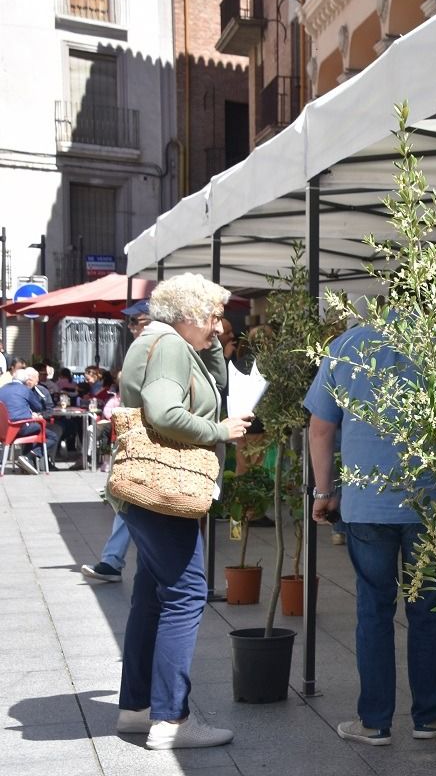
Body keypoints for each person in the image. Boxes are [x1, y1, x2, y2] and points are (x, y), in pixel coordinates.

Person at [110, 274, 251, 749]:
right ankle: (172, 720)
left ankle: (137, 707)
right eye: (212, 317)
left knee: (151, 595)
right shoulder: (169, 345)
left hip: (144, 491)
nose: (219, 326)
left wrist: (209, 345)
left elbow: (211, 382)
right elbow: (166, 412)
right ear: (188, 315)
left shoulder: (157, 339)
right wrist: (219, 431)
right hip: (163, 489)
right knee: (187, 592)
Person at [305, 314, 436, 745]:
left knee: (373, 610)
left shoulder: (345, 345)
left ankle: (374, 722)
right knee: (428, 610)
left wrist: (323, 492)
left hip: (366, 502)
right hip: (430, 503)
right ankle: (429, 717)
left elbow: (321, 428)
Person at [82, 301, 150, 583]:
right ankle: (113, 560)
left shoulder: (158, 349)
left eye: (137, 321)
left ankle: (115, 561)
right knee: (128, 502)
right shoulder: (140, 349)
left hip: (151, 442)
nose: (132, 327)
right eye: (131, 323)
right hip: (137, 440)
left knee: (132, 503)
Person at [0, 366, 64, 474]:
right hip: (20, 428)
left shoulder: (2, 389)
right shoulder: (25, 390)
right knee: (52, 435)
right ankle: (29, 456)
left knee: (34, 429)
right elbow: (38, 407)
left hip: (3, 430)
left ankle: (26, 462)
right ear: (25, 380)